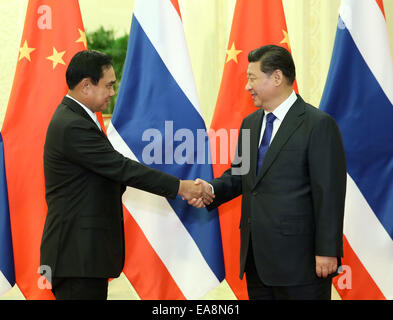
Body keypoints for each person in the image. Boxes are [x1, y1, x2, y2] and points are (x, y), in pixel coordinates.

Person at [40, 50, 213, 300]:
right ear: (86, 85)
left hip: (83, 257)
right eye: (108, 85)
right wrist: (181, 187)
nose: (112, 92)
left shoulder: (77, 118)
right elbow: (122, 168)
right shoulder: (72, 124)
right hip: (77, 257)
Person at [190, 45, 346, 300]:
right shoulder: (250, 123)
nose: (246, 87)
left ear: (276, 77)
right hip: (256, 261)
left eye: (252, 78)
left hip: (302, 263)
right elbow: (240, 176)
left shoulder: (318, 125)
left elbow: (329, 193)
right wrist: (209, 190)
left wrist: (327, 250)